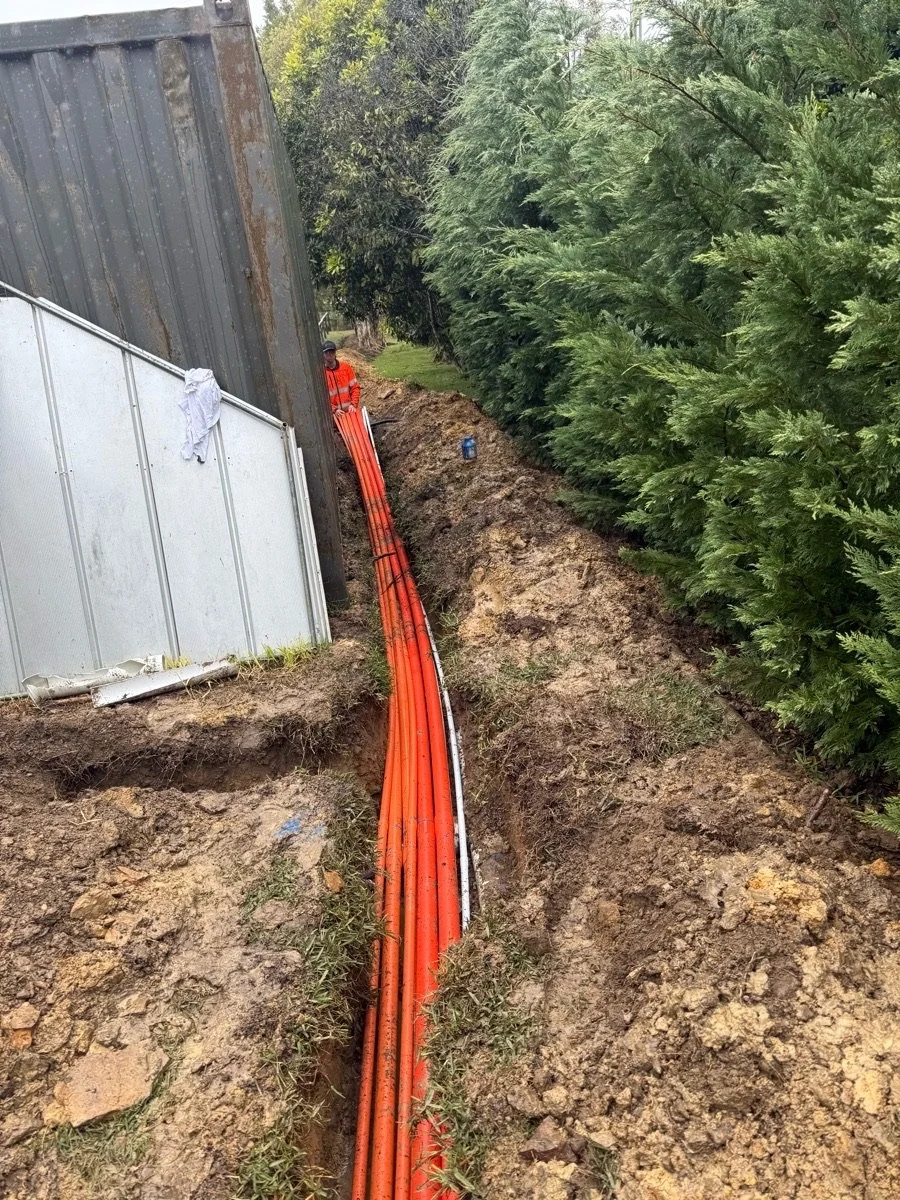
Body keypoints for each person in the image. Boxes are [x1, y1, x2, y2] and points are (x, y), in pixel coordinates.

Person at [322, 340, 360, 412]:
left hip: (350, 412)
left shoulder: (346, 368)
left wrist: (353, 404)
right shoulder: (321, 373)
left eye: (332, 351)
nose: (329, 354)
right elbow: (322, 398)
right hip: (334, 416)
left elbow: (355, 388)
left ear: (335, 352)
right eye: (326, 352)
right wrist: (334, 410)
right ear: (323, 354)